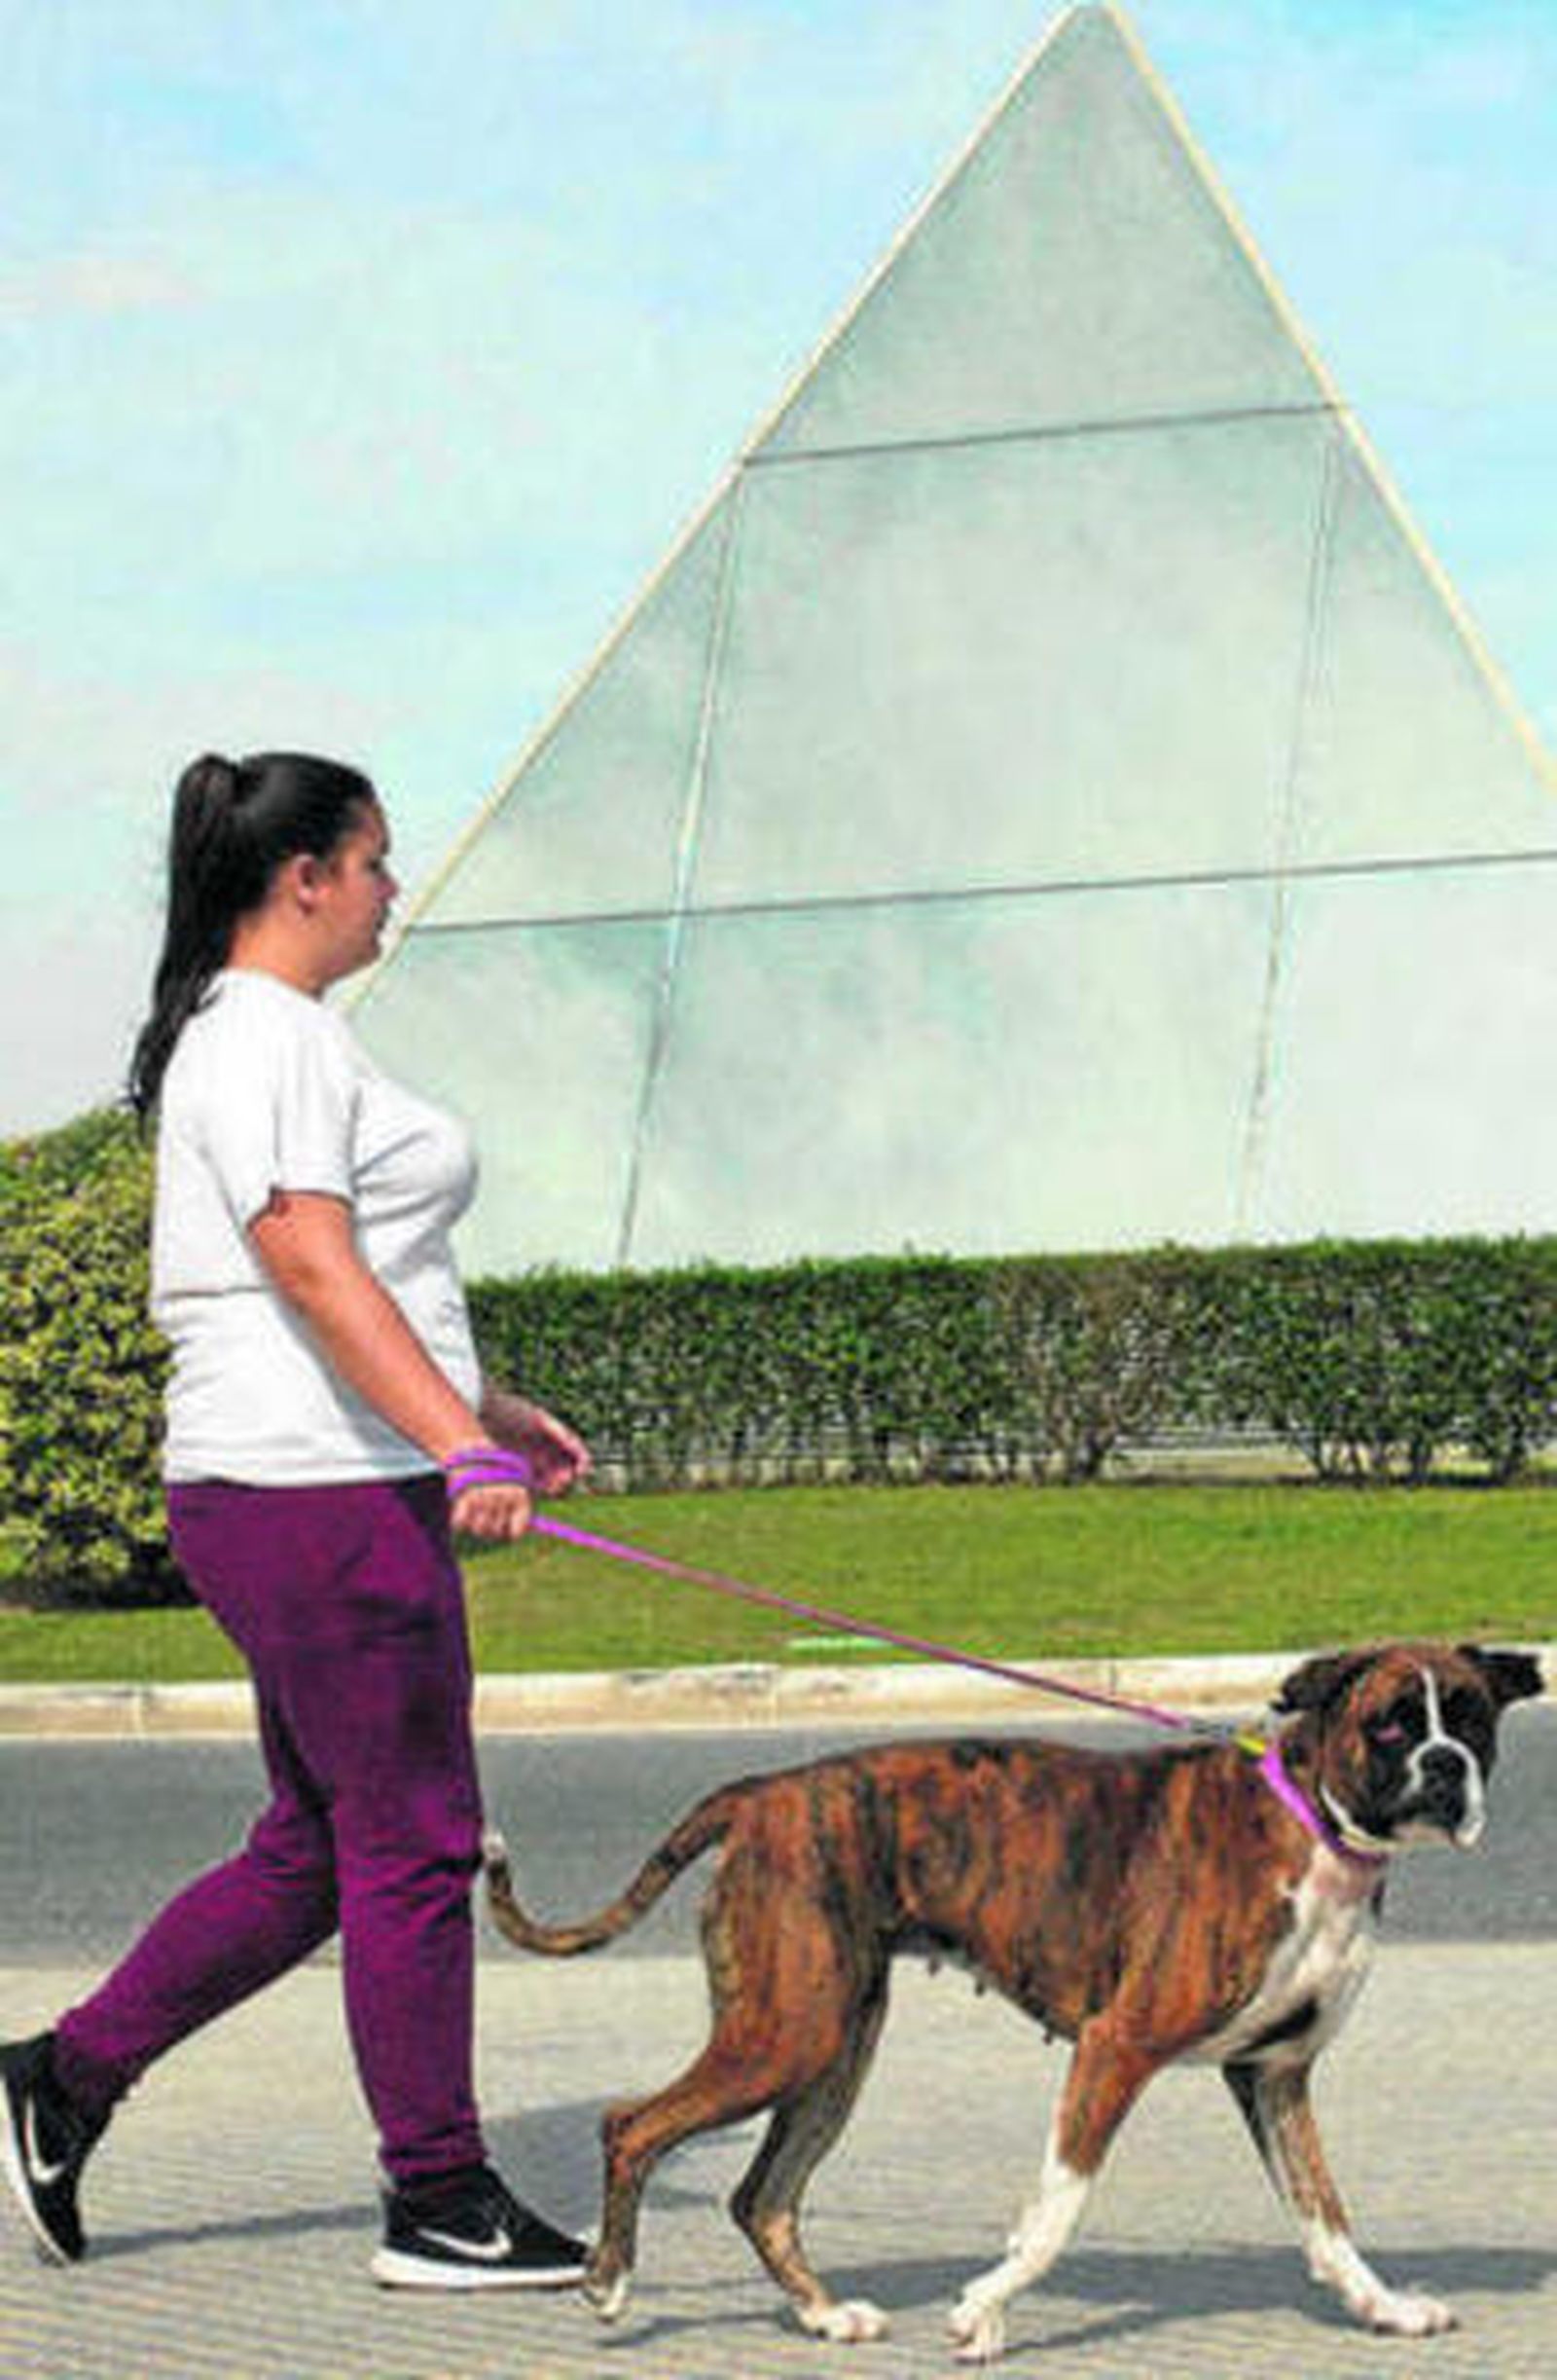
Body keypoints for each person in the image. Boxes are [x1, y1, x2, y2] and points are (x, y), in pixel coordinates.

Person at [0, 751, 591, 2290]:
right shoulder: (267, 1036)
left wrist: (484, 1406)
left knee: (320, 1847)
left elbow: (339, 1280)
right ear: (305, 877)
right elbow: (310, 1264)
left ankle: (65, 2076)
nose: (397, 887)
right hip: (315, 1500)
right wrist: (455, 1445)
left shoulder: (259, 1036)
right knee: (417, 1842)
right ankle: (439, 2199)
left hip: (295, 1484)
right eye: (378, 861)